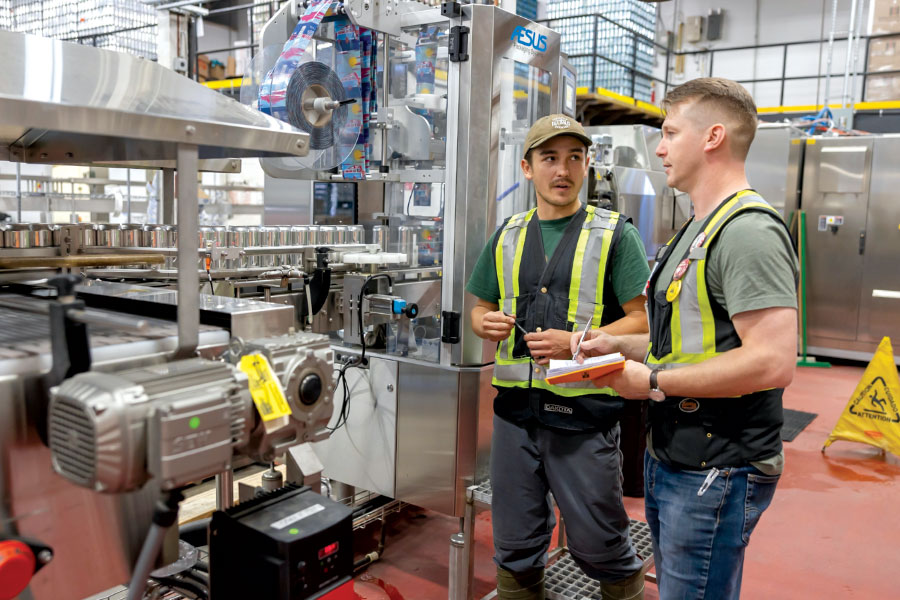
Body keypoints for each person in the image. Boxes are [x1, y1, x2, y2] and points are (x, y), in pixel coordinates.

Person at [573, 78, 799, 599]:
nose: (659, 146)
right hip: (678, 455)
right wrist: (617, 347)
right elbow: (685, 338)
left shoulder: (746, 232)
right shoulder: (698, 227)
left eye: (671, 131)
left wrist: (650, 380)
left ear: (713, 137)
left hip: (718, 465)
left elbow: (772, 361)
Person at [466, 114, 651, 600]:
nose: (563, 170)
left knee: (600, 540)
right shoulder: (506, 235)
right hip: (514, 416)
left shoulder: (615, 235)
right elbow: (480, 307)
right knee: (514, 539)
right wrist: (481, 321)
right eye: (550, 158)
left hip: (583, 414)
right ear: (527, 168)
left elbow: (642, 323)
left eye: (575, 158)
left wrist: (575, 342)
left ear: (588, 165)